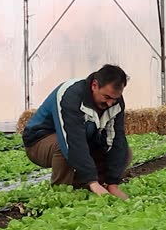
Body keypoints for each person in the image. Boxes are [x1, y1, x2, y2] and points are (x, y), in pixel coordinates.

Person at [23, 65, 131, 200]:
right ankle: (60, 194)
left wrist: (113, 183)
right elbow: (72, 140)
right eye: (107, 97)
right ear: (94, 85)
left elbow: (117, 140)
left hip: (83, 139)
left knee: (124, 152)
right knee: (63, 146)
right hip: (38, 141)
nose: (110, 103)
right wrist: (92, 181)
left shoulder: (116, 102)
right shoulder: (70, 94)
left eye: (115, 98)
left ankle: (89, 186)